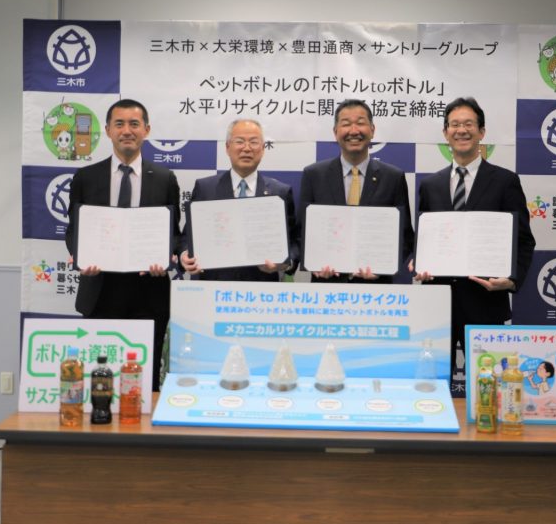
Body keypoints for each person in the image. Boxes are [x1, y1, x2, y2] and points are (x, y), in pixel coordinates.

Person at [413, 96, 536, 389]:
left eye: (469, 124)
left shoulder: (505, 181)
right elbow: (425, 238)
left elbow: (523, 240)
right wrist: (419, 262)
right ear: (445, 133)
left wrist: (511, 280)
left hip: (485, 302)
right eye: (454, 125)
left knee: (489, 388)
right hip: (438, 303)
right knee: (434, 388)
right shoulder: (430, 185)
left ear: (482, 132)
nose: (461, 130)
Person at [65, 98, 181, 390]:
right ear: (107, 130)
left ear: (146, 130)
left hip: (149, 293)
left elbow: (174, 233)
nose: (127, 130)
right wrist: (79, 254)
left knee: (146, 378)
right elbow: (74, 229)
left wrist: (167, 255)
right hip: (100, 290)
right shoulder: (85, 177)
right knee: (100, 374)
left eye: (134, 124)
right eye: (119, 124)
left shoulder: (165, 178)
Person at [298, 99, 414, 284]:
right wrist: (314, 263)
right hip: (327, 288)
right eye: (346, 124)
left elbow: (405, 236)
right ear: (335, 132)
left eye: (360, 123)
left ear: (372, 130)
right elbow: (301, 231)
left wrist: (384, 266)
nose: (354, 131)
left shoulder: (393, 177)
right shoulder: (314, 175)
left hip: (376, 289)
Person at [180, 119, 298, 281]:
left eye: (254, 142)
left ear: (263, 149)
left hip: (262, 286)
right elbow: (188, 236)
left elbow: (293, 241)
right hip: (213, 286)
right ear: (227, 147)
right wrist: (185, 254)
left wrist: (284, 263)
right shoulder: (205, 188)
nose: (247, 148)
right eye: (240, 141)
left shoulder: (280, 192)